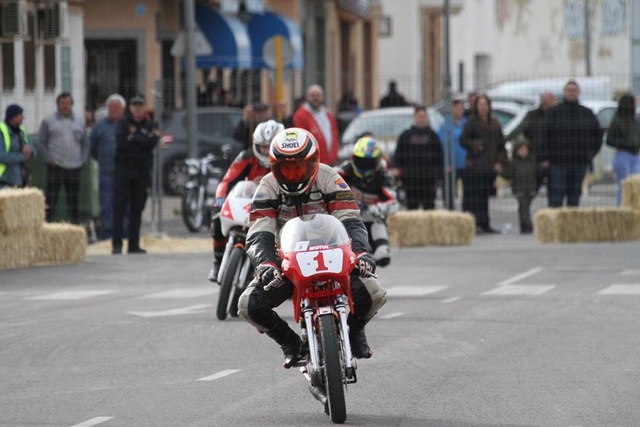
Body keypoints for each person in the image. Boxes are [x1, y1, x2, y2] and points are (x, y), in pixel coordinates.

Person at [238, 127, 387, 368]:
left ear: (314, 162)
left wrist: (361, 253)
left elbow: (351, 220)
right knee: (248, 306)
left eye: (299, 167)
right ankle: (291, 345)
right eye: (284, 169)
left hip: (334, 255)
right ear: (273, 166)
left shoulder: (331, 178)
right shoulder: (267, 186)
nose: (292, 174)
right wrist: (266, 263)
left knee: (374, 293)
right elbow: (258, 233)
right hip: (287, 262)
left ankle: (355, 330)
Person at [207, 120, 285, 282]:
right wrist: (219, 201)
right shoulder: (246, 156)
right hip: (249, 202)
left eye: (269, 146)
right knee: (216, 219)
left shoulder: (288, 161)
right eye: (262, 146)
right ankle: (217, 261)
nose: (265, 151)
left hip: (278, 206)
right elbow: (227, 180)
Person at [335, 136, 398, 267]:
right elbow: (328, 176)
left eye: (368, 162)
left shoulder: (384, 175)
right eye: (360, 160)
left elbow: (394, 204)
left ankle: (381, 246)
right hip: (349, 216)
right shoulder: (345, 169)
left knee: (382, 255)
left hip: (371, 217)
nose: (364, 165)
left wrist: (375, 208)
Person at [539, 80, 602, 208]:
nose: (571, 93)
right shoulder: (553, 113)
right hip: (557, 163)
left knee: (574, 197)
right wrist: (545, 157)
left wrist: (589, 154)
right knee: (556, 196)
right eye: (569, 90)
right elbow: (543, 135)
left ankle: (571, 226)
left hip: (579, 163)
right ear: (564, 92)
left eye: (574, 90)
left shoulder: (587, 113)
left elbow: (597, 136)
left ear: (578, 92)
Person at [111, 94, 159, 254]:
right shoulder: (123, 124)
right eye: (134, 105)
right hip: (124, 170)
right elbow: (123, 143)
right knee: (120, 207)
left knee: (137, 207)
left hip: (142, 170)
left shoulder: (151, 124)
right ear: (130, 107)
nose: (138, 108)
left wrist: (134, 139)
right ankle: (116, 244)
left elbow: (151, 143)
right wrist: (141, 139)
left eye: (141, 105)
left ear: (145, 107)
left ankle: (133, 244)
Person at [37, 92, 89, 224]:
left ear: (72, 104)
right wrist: (48, 158)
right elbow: (41, 142)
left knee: (74, 201)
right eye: (62, 103)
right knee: (51, 200)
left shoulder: (79, 121)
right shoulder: (48, 121)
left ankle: (75, 227)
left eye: (68, 103)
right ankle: (47, 226)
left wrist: (82, 160)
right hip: (56, 166)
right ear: (57, 105)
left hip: (74, 167)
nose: (65, 106)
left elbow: (85, 143)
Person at [461, 94, 507, 233]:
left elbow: (501, 145)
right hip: (475, 166)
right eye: (480, 105)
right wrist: (475, 145)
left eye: (485, 105)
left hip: (490, 167)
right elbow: (463, 140)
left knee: (485, 196)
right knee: (474, 196)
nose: (482, 108)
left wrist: (500, 161)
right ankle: (474, 224)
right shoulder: (471, 122)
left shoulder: (494, 123)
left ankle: (485, 223)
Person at [90, 94, 126, 240]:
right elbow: (93, 148)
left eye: (117, 107)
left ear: (122, 109)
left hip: (124, 172)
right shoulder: (99, 127)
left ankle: (125, 232)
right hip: (106, 172)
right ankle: (107, 233)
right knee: (106, 203)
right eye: (111, 107)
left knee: (124, 202)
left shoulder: (126, 125)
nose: (113, 109)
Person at [394, 105, 444, 210]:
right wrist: (400, 175)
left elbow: (440, 156)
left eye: (423, 116)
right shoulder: (405, 136)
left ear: (426, 118)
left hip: (429, 180)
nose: (421, 119)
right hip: (410, 180)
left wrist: (439, 175)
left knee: (429, 209)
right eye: (419, 116)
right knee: (412, 209)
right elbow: (398, 156)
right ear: (414, 117)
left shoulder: (433, 136)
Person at [506, 91, 558, 190]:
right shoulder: (532, 115)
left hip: (553, 159)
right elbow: (518, 129)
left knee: (555, 189)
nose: (555, 102)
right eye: (553, 100)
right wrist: (504, 140)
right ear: (544, 101)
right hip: (535, 157)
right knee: (532, 188)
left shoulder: (557, 115)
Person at [605, 93, 640, 205]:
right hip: (623, 155)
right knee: (624, 185)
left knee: (636, 184)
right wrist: (626, 143)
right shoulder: (617, 121)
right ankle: (622, 209)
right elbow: (609, 140)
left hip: (636, 155)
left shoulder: (636, 121)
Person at [293, 84, 339, 166]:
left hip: (330, 161)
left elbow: (334, 135)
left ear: (322, 97)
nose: (315, 98)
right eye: (312, 95)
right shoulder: (301, 115)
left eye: (318, 95)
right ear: (307, 97)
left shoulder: (328, 114)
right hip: (313, 162)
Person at [501, 137, 538, 234]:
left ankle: (525, 226)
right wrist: (501, 171)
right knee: (523, 207)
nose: (523, 152)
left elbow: (538, 173)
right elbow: (507, 175)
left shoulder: (532, 162)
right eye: (521, 150)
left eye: (525, 150)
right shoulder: (514, 163)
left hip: (530, 189)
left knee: (526, 207)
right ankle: (527, 225)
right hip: (519, 189)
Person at [438, 99, 468, 204]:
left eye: (461, 108)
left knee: (468, 192)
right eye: (457, 108)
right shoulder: (446, 125)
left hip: (465, 163)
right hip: (451, 164)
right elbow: (441, 143)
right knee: (449, 192)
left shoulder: (467, 124)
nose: (459, 110)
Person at [0, 104, 36, 189]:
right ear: (13, 117)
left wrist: (30, 150)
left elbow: (32, 146)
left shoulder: (22, 130)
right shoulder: (2, 131)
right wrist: (22, 157)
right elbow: (1, 156)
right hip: (5, 180)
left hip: (23, 179)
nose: (23, 117)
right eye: (20, 115)